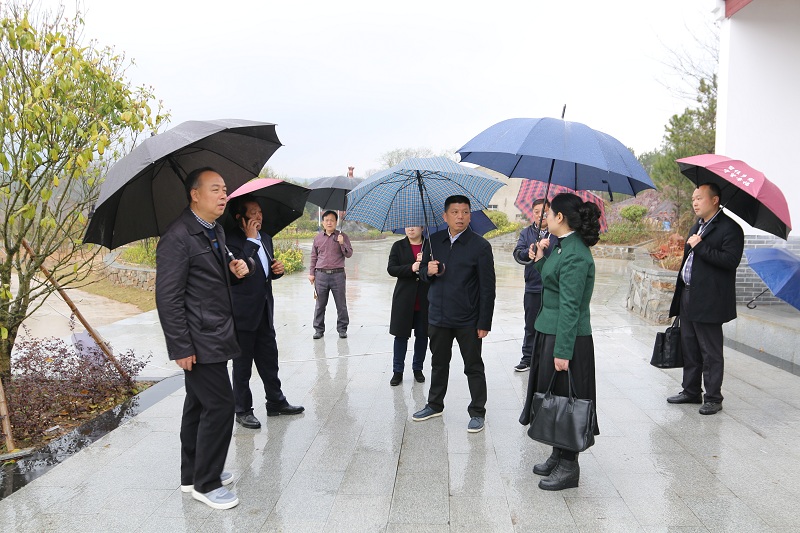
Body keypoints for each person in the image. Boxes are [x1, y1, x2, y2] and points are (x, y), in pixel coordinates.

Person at [155, 167, 249, 510]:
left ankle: (191, 474)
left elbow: (213, 277)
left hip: (215, 332)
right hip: (199, 338)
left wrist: (235, 272)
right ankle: (206, 484)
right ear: (195, 195)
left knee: (197, 404)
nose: (224, 195)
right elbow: (168, 297)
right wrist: (180, 345)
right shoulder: (178, 237)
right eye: (215, 189)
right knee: (221, 405)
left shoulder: (214, 231)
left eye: (224, 189)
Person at [519, 193, 601, 491]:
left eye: (549, 213)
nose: (546, 217)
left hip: (567, 337)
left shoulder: (577, 254)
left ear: (560, 218)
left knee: (568, 398)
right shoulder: (561, 246)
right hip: (548, 330)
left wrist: (563, 351)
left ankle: (570, 466)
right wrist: (540, 259)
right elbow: (552, 281)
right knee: (554, 395)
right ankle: (557, 453)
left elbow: (570, 305)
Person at [412, 195, 496, 433]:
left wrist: (484, 322)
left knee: (473, 365)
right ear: (445, 216)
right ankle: (435, 404)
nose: (461, 216)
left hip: (468, 319)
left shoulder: (480, 246)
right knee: (438, 363)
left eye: (465, 212)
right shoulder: (433, 241)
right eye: (456, 212)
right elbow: (423, 278)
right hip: (438, 316)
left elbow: (488, 287)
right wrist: (428, 271)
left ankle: (477, 411)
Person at [226, 196, 304, 429]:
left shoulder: (266, 238)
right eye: (253, 212)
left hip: (264, 310)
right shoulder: (230, 240)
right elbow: (237, 271)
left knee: (270, 360)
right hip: (242, 313)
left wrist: (277, 271)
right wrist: (250, 241)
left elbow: (263, 272)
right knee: (242, 365)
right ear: (240, 216)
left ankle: (276, 402)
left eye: (260, 212)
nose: (259, 216)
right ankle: (242, 409)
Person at [666, 182, 744, 415]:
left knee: (710, 351)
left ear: (715, 200)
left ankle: (713, 397)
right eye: (693, 199)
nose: (695, 202)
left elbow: (730, 261)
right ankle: (691, 390)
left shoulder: (730, 228)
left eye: (699, 198)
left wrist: (700, 247)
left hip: (710, 300)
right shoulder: (696, 227)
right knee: (689, 346)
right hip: (689, 294)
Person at [512, 198, 559, 372]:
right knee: (530, 324)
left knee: (552, 324)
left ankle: (549, 357)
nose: (541, 215)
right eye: (537, 212)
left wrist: (546, 248)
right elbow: (518, 254)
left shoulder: (556, 233)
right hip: (533, 286)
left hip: (553, 287)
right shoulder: (526, 233)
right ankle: (527, 358)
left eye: (545, 211)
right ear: (532, 213)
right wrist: (530, 250)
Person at [387, 226, 430, 386]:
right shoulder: (398, 246)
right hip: (404, 299)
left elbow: (438, 270)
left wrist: (425, 266)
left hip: (425, 299)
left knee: (422, 336)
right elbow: (391, 269)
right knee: (401, 336)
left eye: (414, 225)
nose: (411, 229)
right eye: (408, 226)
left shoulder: (430, 246)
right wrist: (411, 267)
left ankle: (417, 369)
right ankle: (397, 371)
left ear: (422, 227)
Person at [308, 210, 353, 339]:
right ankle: (318, 330)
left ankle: (342, 329)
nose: (329, 222)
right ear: (323, 222)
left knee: (341, 304)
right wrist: (312, 273)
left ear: (336, 222)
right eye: (326, 220)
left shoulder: (342, 236)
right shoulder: (317, 238)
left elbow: (349, 254)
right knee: (320, 305)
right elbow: (313, 257)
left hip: (338, 275)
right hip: (321, 275)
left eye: (332, 220)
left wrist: (341, 243)